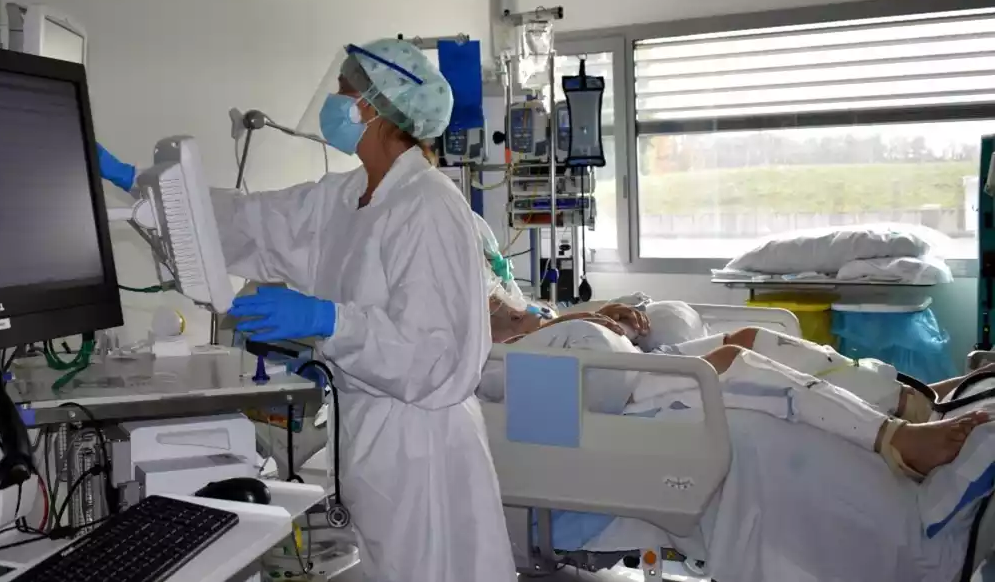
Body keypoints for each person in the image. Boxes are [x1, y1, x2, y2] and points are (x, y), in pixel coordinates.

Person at [214, 40, 515, 581]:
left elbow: (431, 356)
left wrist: (329, 321)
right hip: (374, 441)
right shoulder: (352, 194)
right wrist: (150, 191)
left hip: (423, 448)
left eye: (343, 91)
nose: (335, 101)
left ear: (373, 108)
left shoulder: (428, 204)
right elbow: (259, 222)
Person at [477, 247, 988, 479]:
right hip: (554, 377)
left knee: (752, 335)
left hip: (571, 345)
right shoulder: (442, 285)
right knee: (732, 360)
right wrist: (556, 328)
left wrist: (596, 312)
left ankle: (912, 399)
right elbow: (488, 343)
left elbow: (531, 313)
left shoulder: (474, 246)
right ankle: (893, 438)